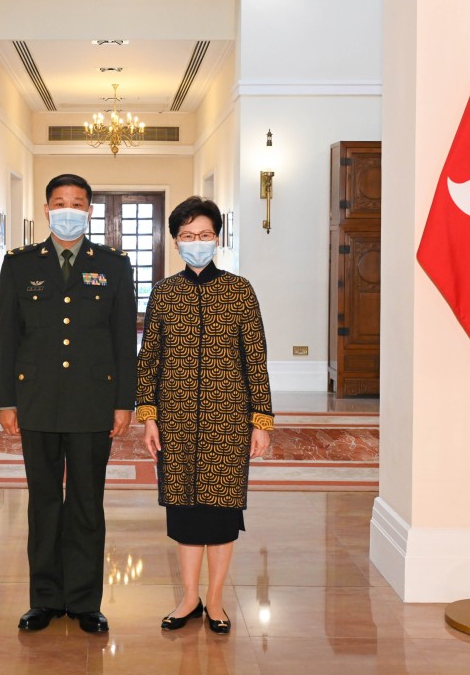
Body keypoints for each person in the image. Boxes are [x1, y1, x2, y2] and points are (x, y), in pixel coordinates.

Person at [0, 173, 137, 633]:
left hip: (94, 402)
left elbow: (121, 338)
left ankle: (84, 601)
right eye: (60, 202)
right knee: (43, 503)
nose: (69, 210)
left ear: (90, 211)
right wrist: (6, 400)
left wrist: (124, 402)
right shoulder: (19, 264)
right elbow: (6, 336)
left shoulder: (113, 264)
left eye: (78, 203)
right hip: (36, 400)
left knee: (86, 503)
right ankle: (45, 598)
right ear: (47, 209)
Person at [136, 196, 274, 634]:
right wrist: (149, 417)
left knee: (220, 515)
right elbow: (149, 359)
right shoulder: (164, 293)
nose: (197, 242)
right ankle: (189, 597)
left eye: (205, 235)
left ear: (218, 238)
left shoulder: (239, 290)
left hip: (228, 422)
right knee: (184, 514)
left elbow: (256, 358)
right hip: (174, 422)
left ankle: (215, 600)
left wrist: (261, 420)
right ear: (176, 242)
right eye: (188, 236)